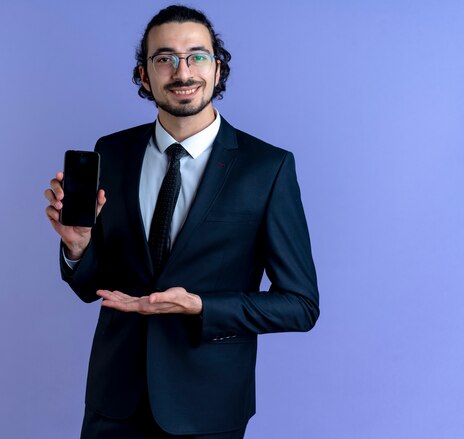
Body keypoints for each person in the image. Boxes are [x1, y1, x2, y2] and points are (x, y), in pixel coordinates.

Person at [44, 5, 319, 438]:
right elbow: (94, 288)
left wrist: (200, 306)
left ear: (218, 68)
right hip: (114, 401)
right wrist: (78, 247)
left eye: (198, 56)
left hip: (207, 407)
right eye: (165, 58)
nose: (183, 71)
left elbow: (301, 306)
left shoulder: (267, 168)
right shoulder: (112, 154)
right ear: (143, 75)